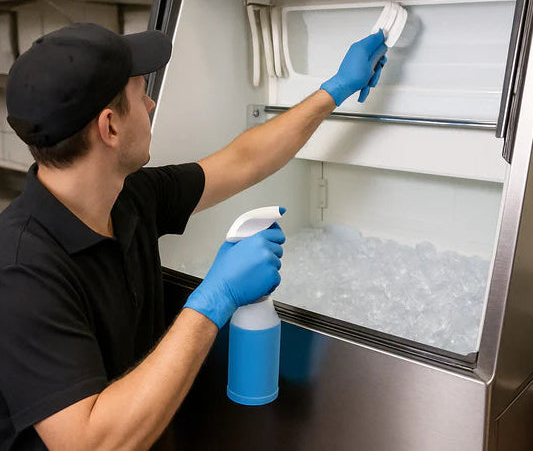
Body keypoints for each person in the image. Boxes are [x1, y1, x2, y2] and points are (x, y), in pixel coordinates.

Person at [0, 22, 387, 450]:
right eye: (140, 93)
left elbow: (243, 161)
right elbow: (92, 444)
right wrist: (213, 299)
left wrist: (334, 89)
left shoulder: (127, 196)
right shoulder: (19, 270)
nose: (149, 104)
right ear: (109, 127)